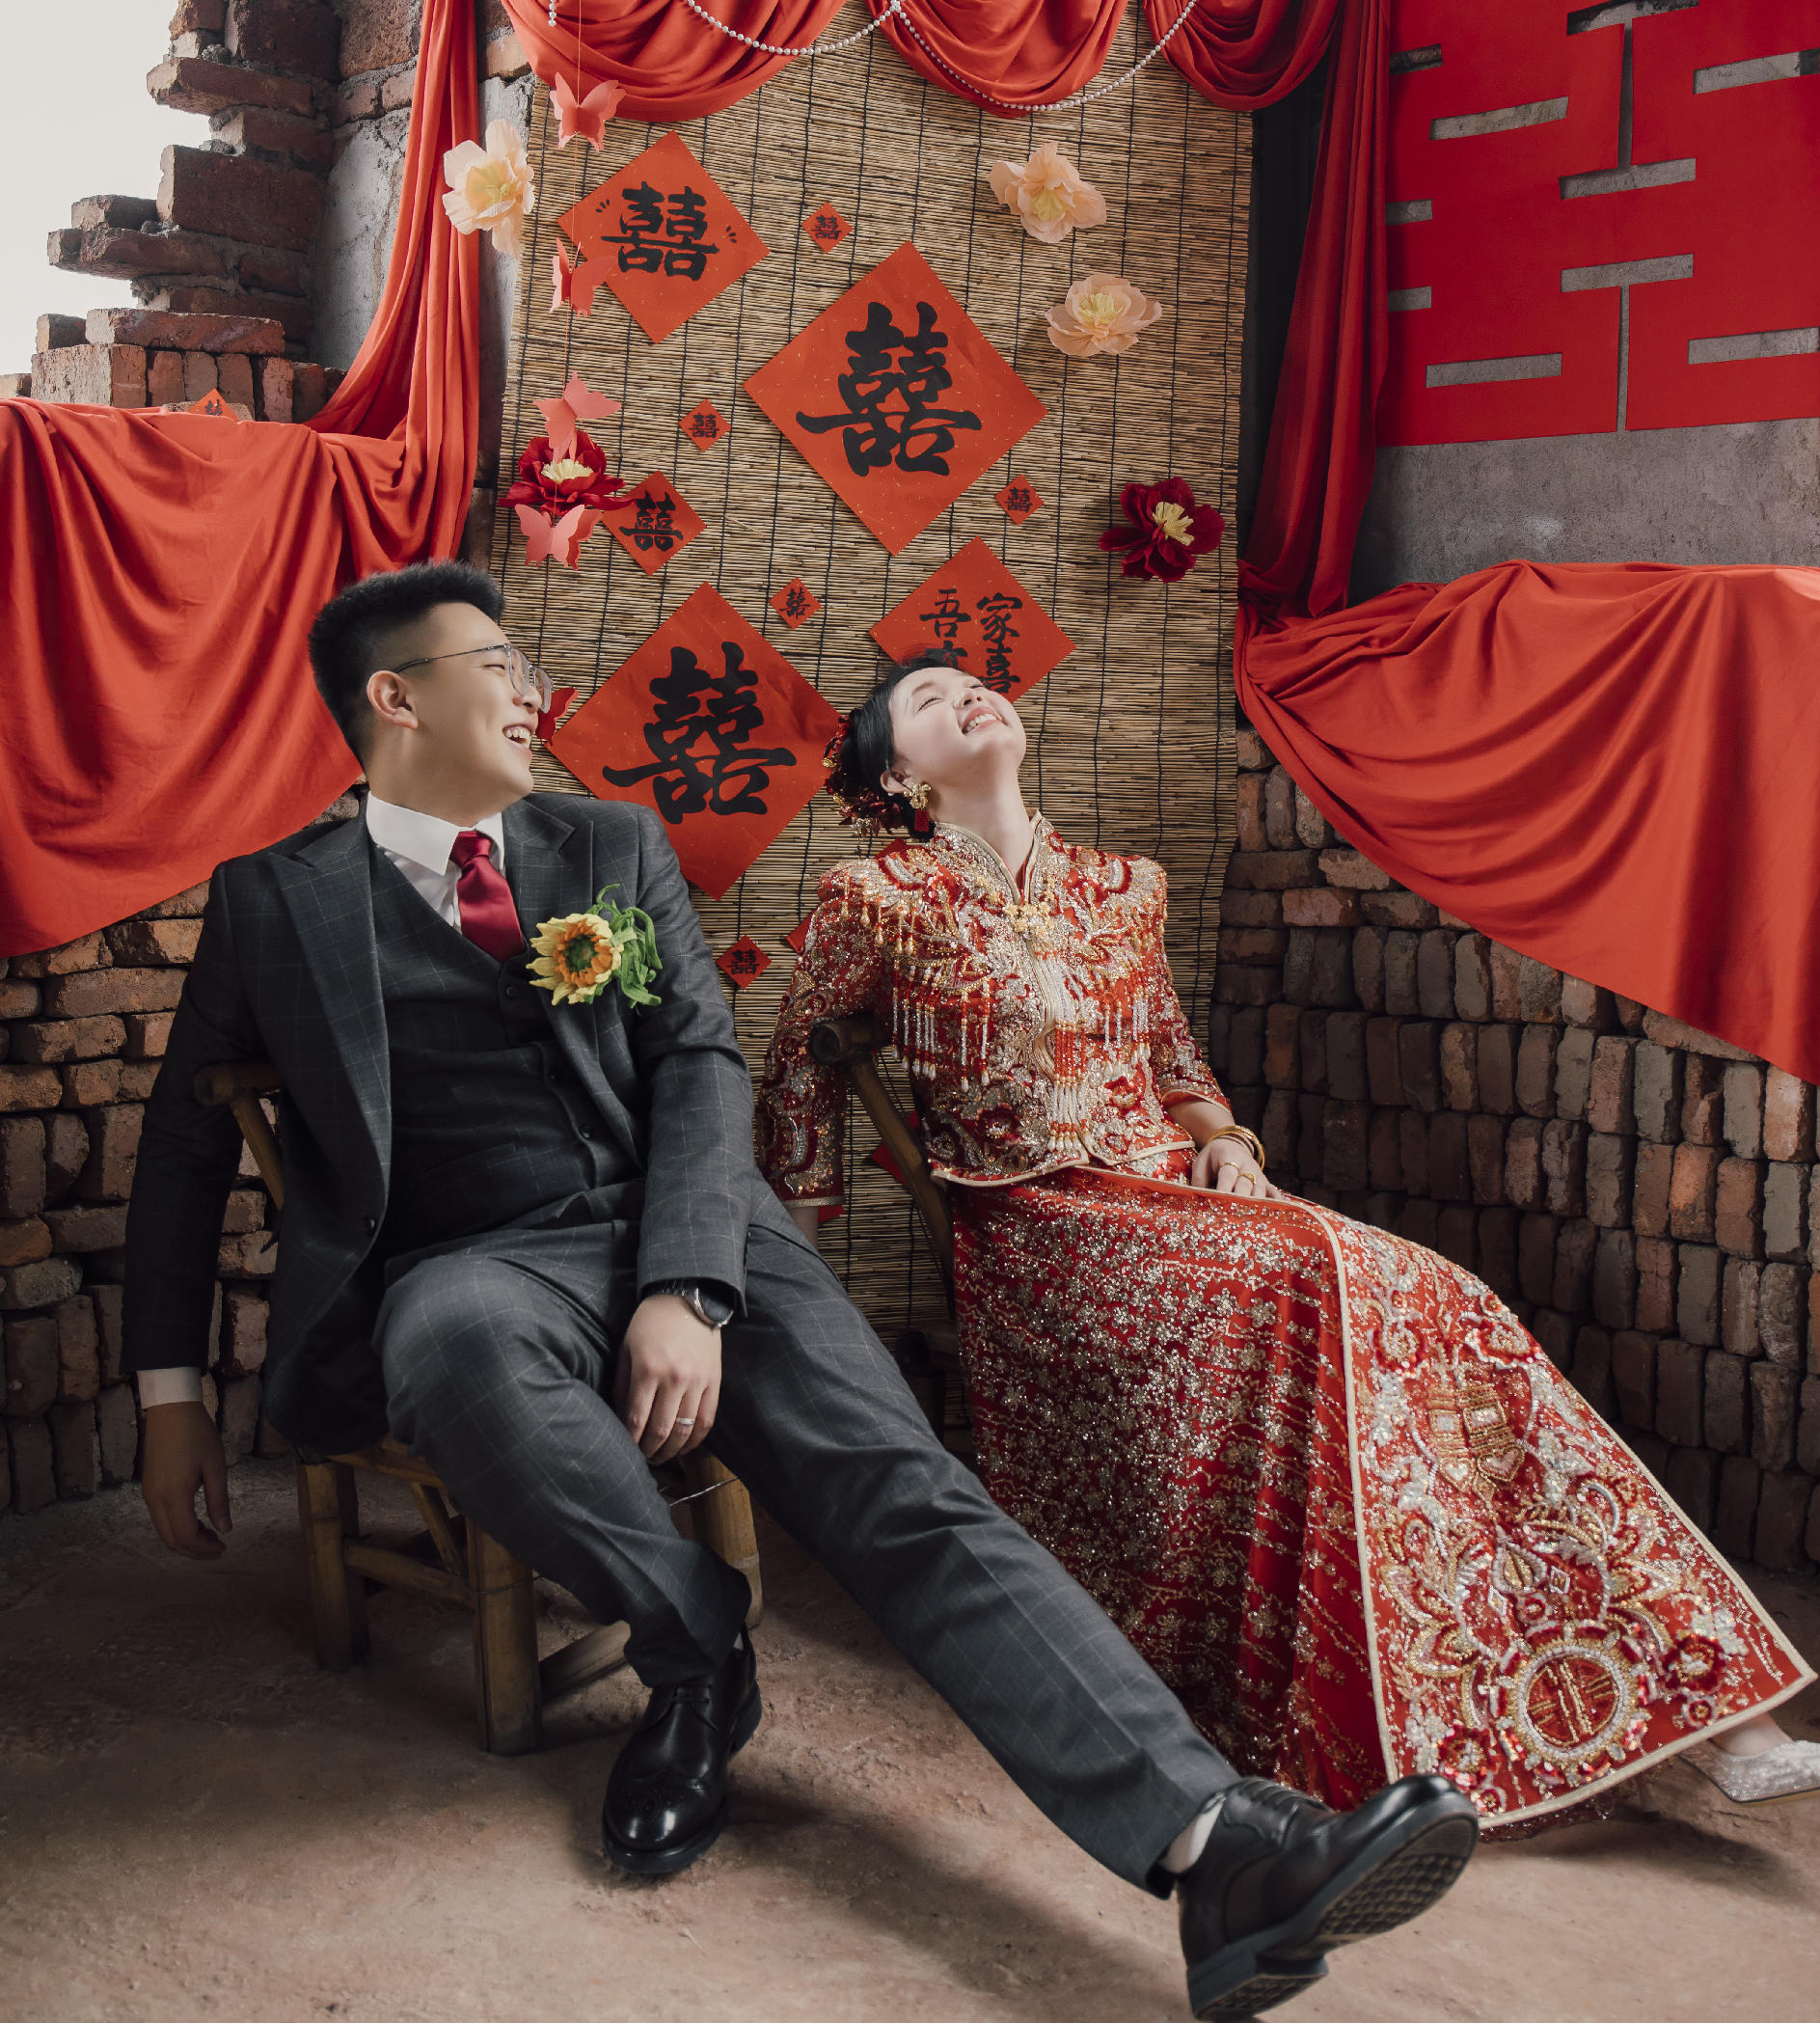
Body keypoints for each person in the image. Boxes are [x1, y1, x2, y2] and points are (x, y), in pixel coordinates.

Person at [124, 562, 1479, 2023]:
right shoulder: (275, 897)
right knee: (445, 1338)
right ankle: (697, 1649)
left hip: (690, 1223)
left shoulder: (607, 839)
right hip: (475, 1261)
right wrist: (168, 1396)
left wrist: (686, 1282)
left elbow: (699, 1062)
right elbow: (185, 1148)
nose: (532, 693)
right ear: (394, 698)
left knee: (906, 1488)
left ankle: (1225, 1846)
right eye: (499, 665)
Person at [755, 654, 1820, 1830]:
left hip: (1187, 1204)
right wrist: (795, 1283)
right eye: (927, 700)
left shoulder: (1125, 886)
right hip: (1039, 1230)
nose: (967, 695)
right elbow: (797, 1077)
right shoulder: (875, 896)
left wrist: (1228, 1143)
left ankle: (1723, 1711)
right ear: (897, 774)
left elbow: (1172, 1059)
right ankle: (1392, 1723)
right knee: (1327, 1273)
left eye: (975, 681)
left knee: (1443, 1295)